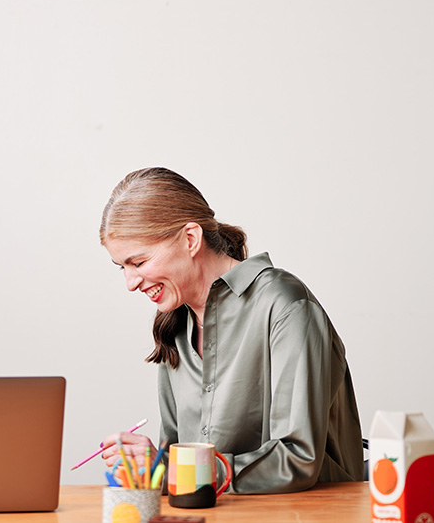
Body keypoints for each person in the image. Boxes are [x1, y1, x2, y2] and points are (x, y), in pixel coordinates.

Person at [98, 167, 364, 494]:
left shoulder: (284, 306)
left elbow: (299, 460)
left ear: (190, 239)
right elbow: (175, 463)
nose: (130, 283)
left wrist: (177, 472)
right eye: (122, 267)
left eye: (138, 263)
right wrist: (151, 468)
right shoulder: (174, 326)